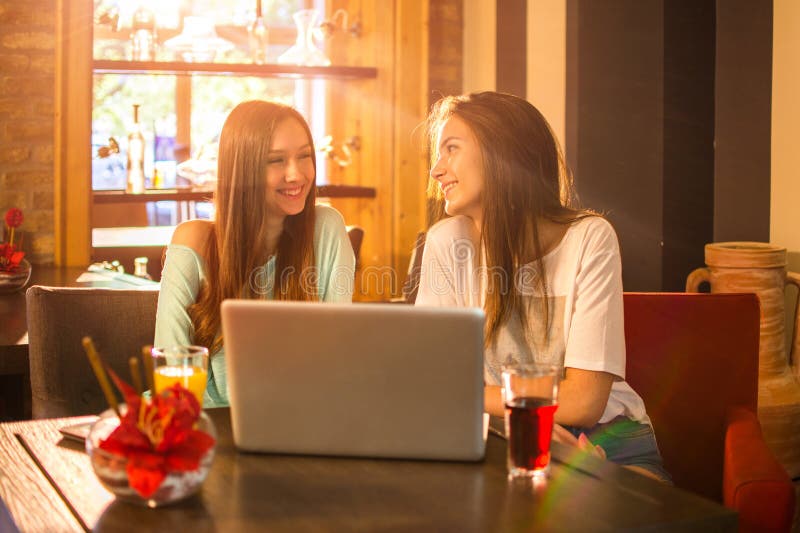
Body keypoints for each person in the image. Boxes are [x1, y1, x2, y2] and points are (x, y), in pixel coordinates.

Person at [416, 91, 670, 482]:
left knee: (625, 518)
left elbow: (585, 402)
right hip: (501, 435)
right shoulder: (446, 243)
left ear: (503, 154)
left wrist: (463, 395)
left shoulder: (589, 238)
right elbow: (429, 379)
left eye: (451, 149)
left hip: (607, 439)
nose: (436, 169)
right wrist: (520, 413)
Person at [155, 100, 355, 408]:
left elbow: (336, 360)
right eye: (276, 161)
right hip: (200, 425)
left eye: (304, 156)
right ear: (243, 169)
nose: (296, 174)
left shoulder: (327, 228)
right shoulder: (192, 241)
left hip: (297, 425)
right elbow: (172, 380)